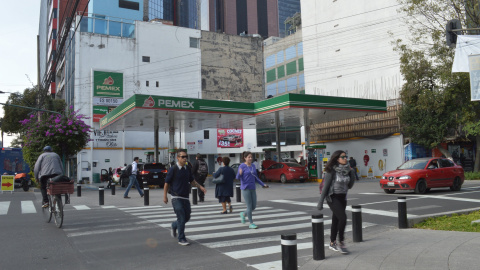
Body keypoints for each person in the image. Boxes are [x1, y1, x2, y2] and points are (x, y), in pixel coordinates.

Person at [163, 151, 207, 246]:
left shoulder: (187, 168)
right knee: (181, 217)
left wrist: (200, 187)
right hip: (176, 197)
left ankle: (174, 225)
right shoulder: (173, 169)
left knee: (187, 217)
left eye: (186, 157)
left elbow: (192, 181)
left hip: (185, 197)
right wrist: (165, 196)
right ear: (178, 158)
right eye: (183, 157)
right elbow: (166, 183)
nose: (185, 158)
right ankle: (181, 238)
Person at [317, 150, 355, 254]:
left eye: (346, 156)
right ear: (337, 159)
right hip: (332, 197)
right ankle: (341, 242)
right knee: (343, 218)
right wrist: (320, 202)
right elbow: (325, 187)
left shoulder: (348, 170)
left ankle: (332, 242)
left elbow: (350, 186)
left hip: (343, 198)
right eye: (343, 157)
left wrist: (352, 174)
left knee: (336, 220)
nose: (345, 158)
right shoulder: (331, 170)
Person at [236, 151, 269, 229]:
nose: (250, 158)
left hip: (252, 188)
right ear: (245, 158)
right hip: (245, 188)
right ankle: (251, 223)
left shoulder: (253, 166)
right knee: (249, 206)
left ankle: (243, 214)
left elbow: (256, 177)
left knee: (253, 206)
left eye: (251, 157)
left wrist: (263, 184)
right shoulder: (242, 166)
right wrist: (239, 173)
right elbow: (237, 177)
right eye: (249, 157)